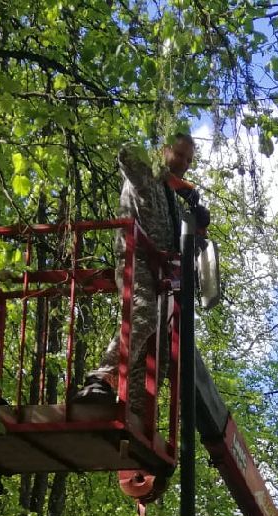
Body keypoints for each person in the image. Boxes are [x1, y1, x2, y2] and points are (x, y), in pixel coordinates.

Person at [75, 133, 209, 410]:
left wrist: (198, 230)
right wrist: (172, 179)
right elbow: (127, 154)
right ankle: (101, 378)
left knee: (159, 351)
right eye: (180, 154)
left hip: (162, 276)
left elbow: (181, 251)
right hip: (136, 258)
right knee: (144, 313)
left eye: (189, 159)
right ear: (164, 150)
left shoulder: (173, 201)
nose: (184, 163)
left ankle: (134, 409)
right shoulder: (147, 175)